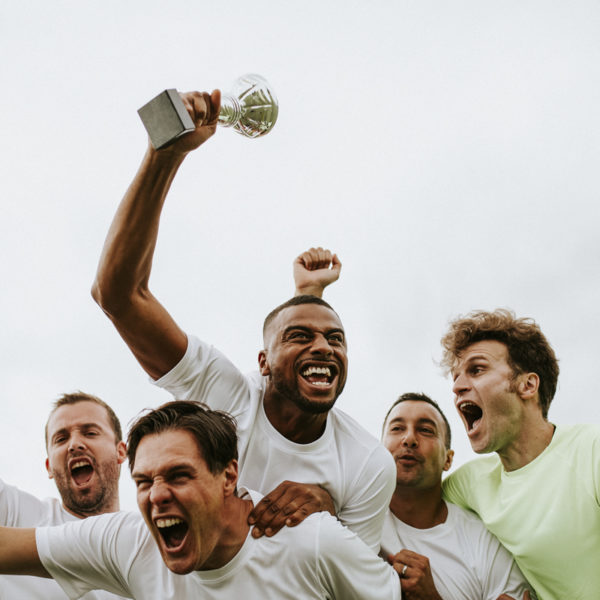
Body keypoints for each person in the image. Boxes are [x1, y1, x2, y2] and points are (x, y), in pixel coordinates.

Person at [91, 90, 395, 551]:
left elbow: (356, 582)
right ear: (262, 363)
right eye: (301, 336)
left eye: (337, 339)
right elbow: (118, 293)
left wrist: (326, 515)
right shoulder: (226, 397)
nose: (325, 348)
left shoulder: (368, 462)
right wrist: (165, 153)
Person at [0, 401, 403, 600]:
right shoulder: (128, 542)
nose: (157, 495)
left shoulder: (313, 543)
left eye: (178, 476)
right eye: (143, 481)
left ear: (229, 476)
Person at [441, 309, 600, 599]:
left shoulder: (592, 451)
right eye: (456, 377)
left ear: (527, 385)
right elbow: (402, 499)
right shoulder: (468, 484)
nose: (457, 386)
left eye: (477, 369)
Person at [381, 392, 532, 600]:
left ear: (448, 459)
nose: (409, 439)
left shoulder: (482, 540)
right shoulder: (351, 517)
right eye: (397, 428)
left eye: (425, 430)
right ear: (379, 450)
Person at [0, 391, 127, 599]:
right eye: (61, 438)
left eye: (90, 433)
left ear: (120, 451)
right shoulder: (15, 513)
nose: (75, 444)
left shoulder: (148, 546)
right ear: (49, 466)